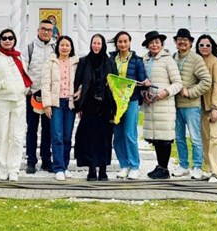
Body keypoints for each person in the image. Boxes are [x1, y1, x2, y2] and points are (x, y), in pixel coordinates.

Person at [0, 28, 31, 181]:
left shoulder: (19, 57)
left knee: (17, 136)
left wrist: (25, 89)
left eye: (10, 38)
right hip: (2, 101)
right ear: (0, 40)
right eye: (4, 38)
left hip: (19, 101)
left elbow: (25, 74)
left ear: (14, 40)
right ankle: (3, 166)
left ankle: (14, 169)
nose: (7, 40)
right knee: (2, 135)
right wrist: (1, 85)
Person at [74, 33, 117, 180]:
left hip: (106, 106)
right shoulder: (84, 61)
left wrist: (115, 108)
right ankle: (92, 169)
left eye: (99, 43)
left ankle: (103, 169)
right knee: (89, 138)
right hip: (89, 106)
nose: (96, 46)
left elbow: (116, 85)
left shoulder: (110, 62)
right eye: (94, 43)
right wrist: (78, 106)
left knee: (105, 138)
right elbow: (77, 83)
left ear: (103, 45)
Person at [141, 30, 183, 179]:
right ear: (147, 45)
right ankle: (160, 166)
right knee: (156, 138)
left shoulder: (167, 60)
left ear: (162, 44)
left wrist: (165, 92)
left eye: (157, 42)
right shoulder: (144, 60)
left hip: (164, 104)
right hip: (151, 104)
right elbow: (142, 81)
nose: (154, 45)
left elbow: (178, 83)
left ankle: (164, 168)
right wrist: (144, 94)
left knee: (164, 138)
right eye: (151, 43)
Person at [171, 28, 212, 180]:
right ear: (175, 42)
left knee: (195, 138)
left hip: (192, 106)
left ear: (191, 43)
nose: (182, 42)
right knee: (179, 137)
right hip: (175, 105)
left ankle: (197, 166)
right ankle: (183, 165)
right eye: (179, 39)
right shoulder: (173, 57)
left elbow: (206, 81)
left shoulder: (196, 59)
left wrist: (190, 92)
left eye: (185, 40)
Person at [110, 30, 149, 179]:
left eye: (125, 41)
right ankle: (124, 165)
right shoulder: (111, 59)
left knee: (130, 133)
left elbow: (142, 79)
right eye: (120, 42)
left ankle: (134, 165)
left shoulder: (137, 60)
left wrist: (145, 83)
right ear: (116, 44)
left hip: (131, 100)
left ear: (130, 43)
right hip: (115, 102)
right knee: (118, 135)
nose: (123, 44)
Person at [41, 35, 80, 181]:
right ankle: (58, 167)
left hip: (70, 103)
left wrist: (80, 92)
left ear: (71, 47)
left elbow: (82, 80)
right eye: (62, 45)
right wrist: (47, 104)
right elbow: (45, 83)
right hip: (56, 103)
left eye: (67, 45)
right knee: (56, 136)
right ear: (58, 46)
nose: (64, 47)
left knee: (67, 136)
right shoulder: (51, 62)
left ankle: (65, 166)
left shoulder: (76, 62)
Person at [25, 18, 56, 174]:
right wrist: (28, 88)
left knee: (48, 129)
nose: (46, 32)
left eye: (49, 30)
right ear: (38, 30)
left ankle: (46, 160)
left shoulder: (55, 47)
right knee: (31, 129)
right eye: (43, 29)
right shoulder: (30, 47)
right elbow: (24, 69)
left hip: (49, 96)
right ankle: (31, 161)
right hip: (33, 94)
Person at [196, 33, 217, 183]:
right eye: (201, 45)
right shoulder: (197, 61)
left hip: (216, 106)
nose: (204, 47)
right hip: (201, 106)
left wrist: (215, 107)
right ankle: (208, 168)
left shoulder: (215, 61)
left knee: (216, 138)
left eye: (207, 45)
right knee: (206, 139)